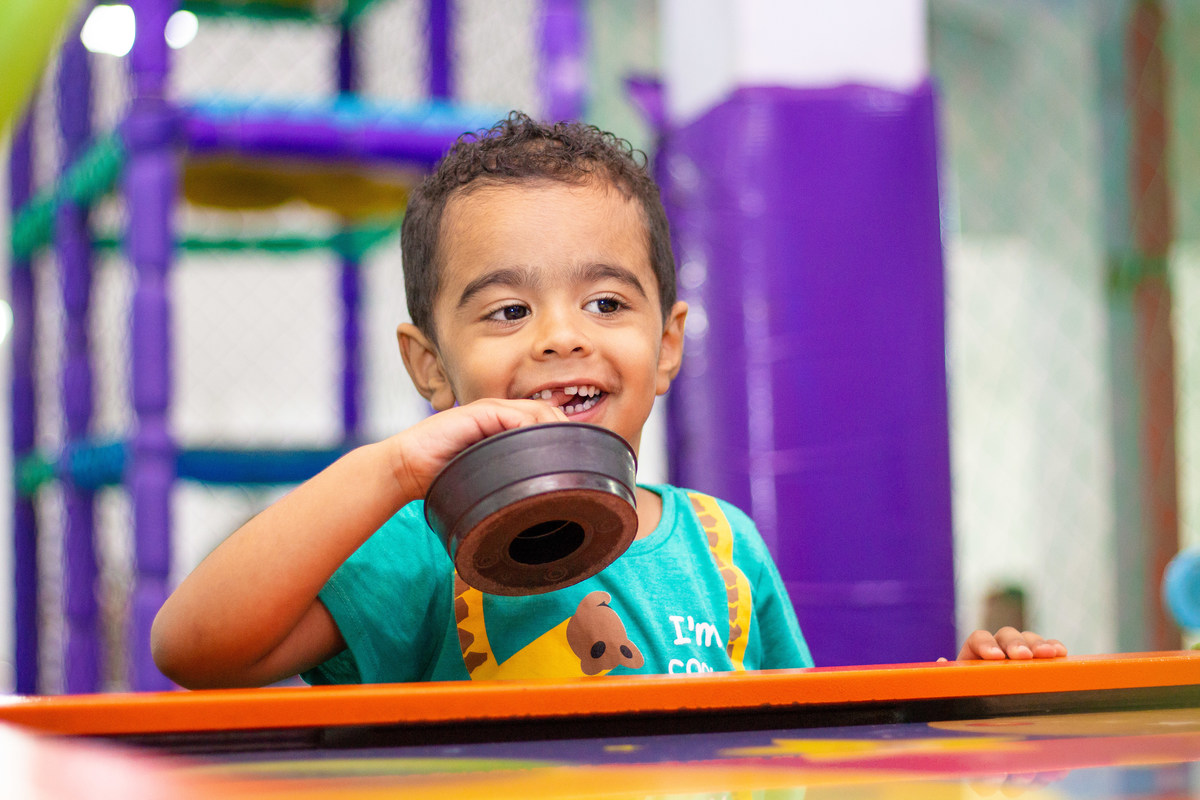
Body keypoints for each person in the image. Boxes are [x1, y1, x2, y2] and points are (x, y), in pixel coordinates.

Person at [151, 112, 1066, 689]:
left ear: (665, 346)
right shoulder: (413, 548)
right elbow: (194, 648)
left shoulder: (724, 547)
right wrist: (394, 468)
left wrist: (976, 701)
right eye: (509, 310)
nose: (561, 336)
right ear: (431, 367)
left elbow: (798, 744)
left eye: (606, 303)